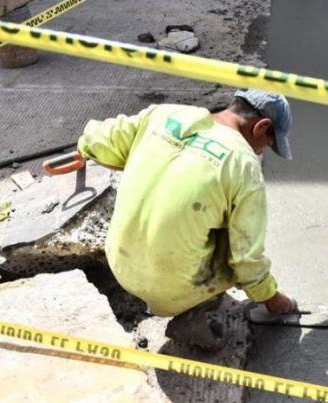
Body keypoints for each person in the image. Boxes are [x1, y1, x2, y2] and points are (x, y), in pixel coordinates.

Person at [76, 89, 296, 351]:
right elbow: (247, 259)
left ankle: (165, 291)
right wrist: (272, 299)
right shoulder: (244, 165)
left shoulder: (163, 114)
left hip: (120, 264)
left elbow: (95, 139)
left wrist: (87, 151)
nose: (262, 152)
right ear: (261, 127)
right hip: (169, 284)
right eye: (268, 146)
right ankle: (195, 313)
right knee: (234, 236)